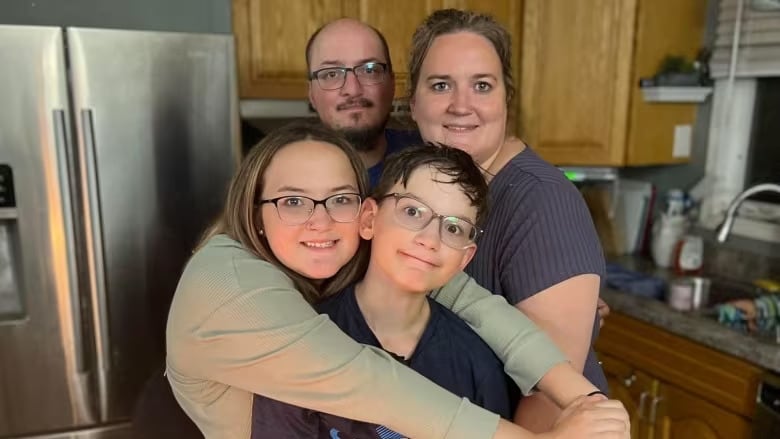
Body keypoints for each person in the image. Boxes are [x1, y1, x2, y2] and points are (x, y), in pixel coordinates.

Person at [166, 120, 629, 439]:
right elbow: (368, 382)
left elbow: (470, 300)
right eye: (292, 201)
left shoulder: (342, 254)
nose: (321, 222)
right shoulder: (228, 288)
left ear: (364, 213)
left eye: (339, 199)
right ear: (254, 210)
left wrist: (582, 397)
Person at [406, 9, 609, 432]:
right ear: (413, 103)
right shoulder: (423, 192)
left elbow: (549, 398)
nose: (462, 105)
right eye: (441, 85)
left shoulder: (542, 201)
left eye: (482, 85)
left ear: (505, 100)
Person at [251, 144, 518, 437]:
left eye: (454, 228)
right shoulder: (308, 342)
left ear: (464, 259)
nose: (430, 239)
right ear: (368, 220)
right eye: (413, 211)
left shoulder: (477, 365)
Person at [305, 18, 420, 187]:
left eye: (369, 70)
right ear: (312, 94)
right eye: (331, 74)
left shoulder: (432, 159)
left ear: (392, 84)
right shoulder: (284, 177)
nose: (353, 89)